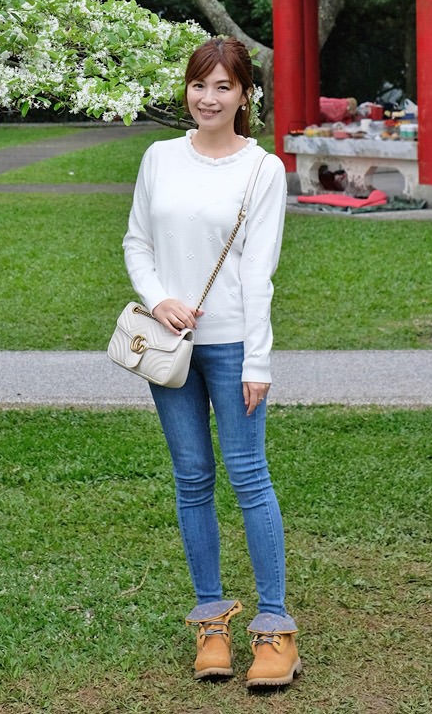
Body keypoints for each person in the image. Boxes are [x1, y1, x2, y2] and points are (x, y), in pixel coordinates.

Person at [122, 37, 300, 688]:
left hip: (231, 349)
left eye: (224, 87)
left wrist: (258, 362)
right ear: (187, 91)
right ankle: (211, 623)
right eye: (200, 85)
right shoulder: (159, 158)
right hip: (172, 346)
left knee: (249, 478)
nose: (209, 98)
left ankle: (276, 630)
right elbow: (137, 241)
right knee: (193, 478)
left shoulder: (264, 169)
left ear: (245, 96)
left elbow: (260, 275)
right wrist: (158, 298)